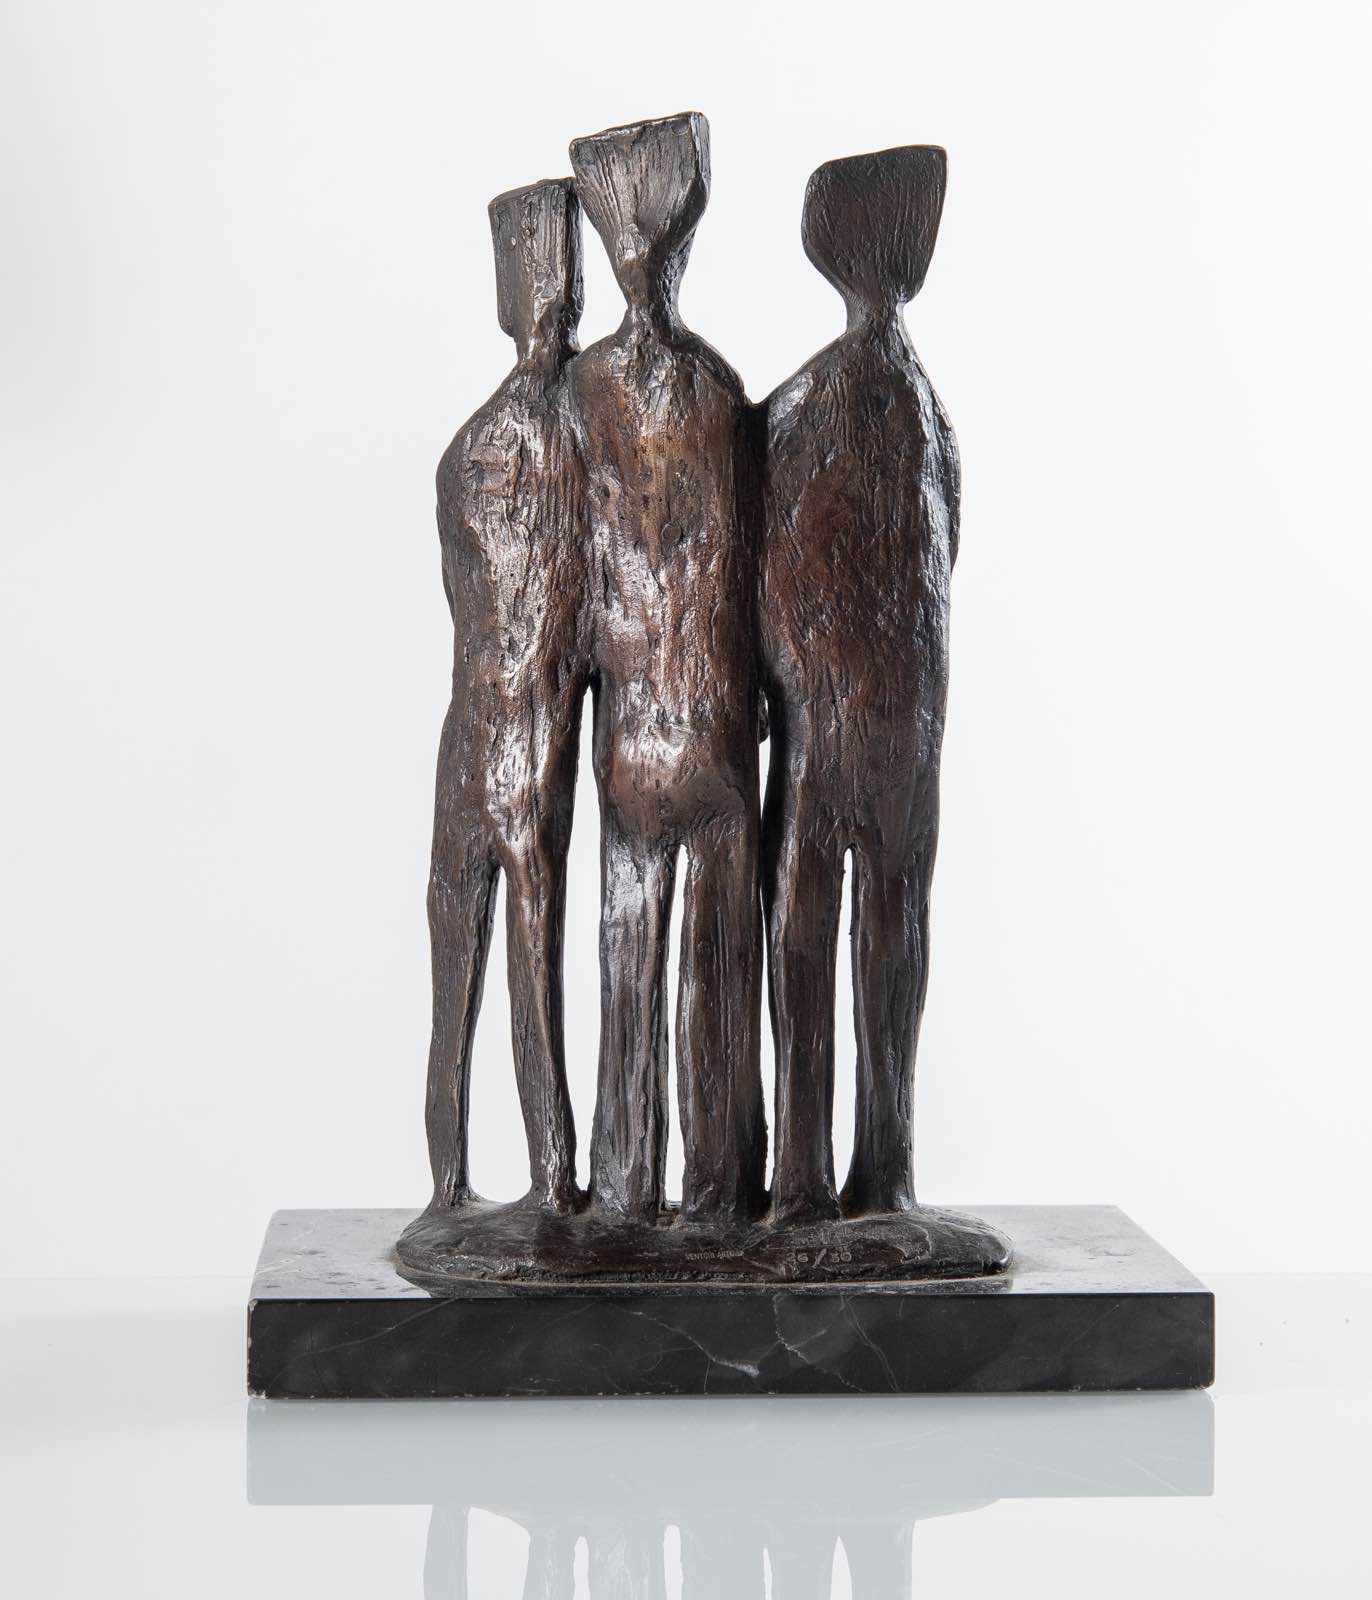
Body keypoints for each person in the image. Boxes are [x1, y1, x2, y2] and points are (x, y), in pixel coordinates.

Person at [759, 146, 960, 1221]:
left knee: (835, 941)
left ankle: (846, 1173)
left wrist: (777, 683)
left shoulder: (811, 405)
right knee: (874, 938)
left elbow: (767, 570)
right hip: (879, 732)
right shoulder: (918, 412)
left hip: (847, 729)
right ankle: (849, 1171)